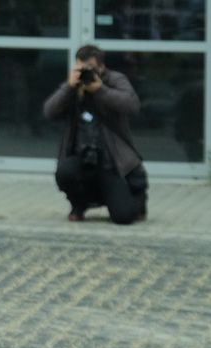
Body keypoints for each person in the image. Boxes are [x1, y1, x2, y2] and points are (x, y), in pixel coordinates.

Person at [42, 45, 148, 225]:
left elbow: (132, 105)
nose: (85, 72)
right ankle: (79, 204)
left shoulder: (115, 79)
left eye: (89, 68)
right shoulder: (74, 84)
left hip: (110, 159)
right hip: (81, 154)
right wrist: (69, 87)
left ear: (101, 66)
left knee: (123, 217)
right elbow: (49, 111)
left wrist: (100, 90)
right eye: (81, 67)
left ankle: (137, 200)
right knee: (65, 172)